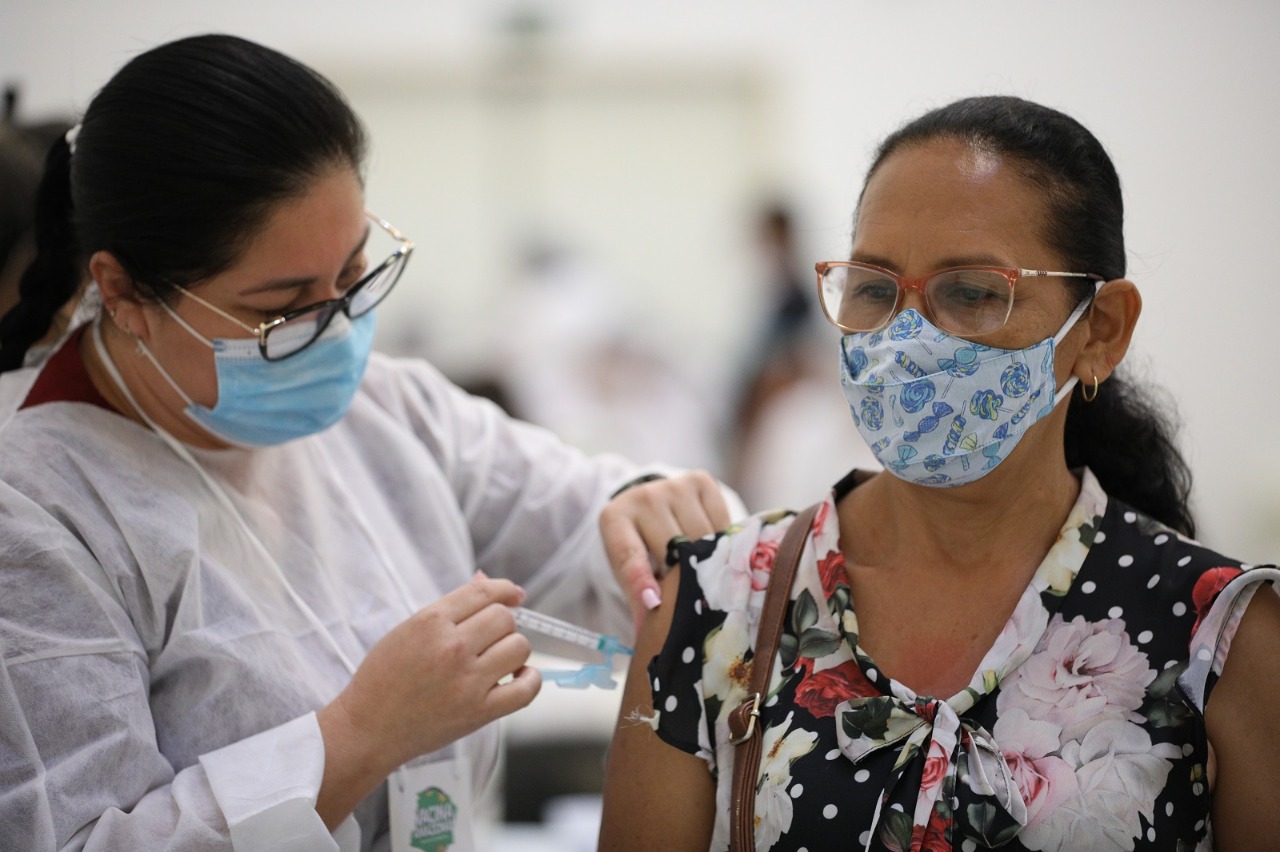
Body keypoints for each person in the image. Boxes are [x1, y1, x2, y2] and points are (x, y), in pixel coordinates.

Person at [0, 34, 738, 850]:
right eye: (280, 309)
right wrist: (357, 735)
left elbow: (583, 525)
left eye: (351, 276)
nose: (334, 330)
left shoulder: (388, 411)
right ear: (124, 291)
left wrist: (643, 507)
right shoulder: (31, 505)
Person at [599, 95, 1280, 851]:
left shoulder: (1217, 638)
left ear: (1101, 330)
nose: (907, 340)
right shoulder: (716, 602)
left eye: (972, 292)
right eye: (875, 288)